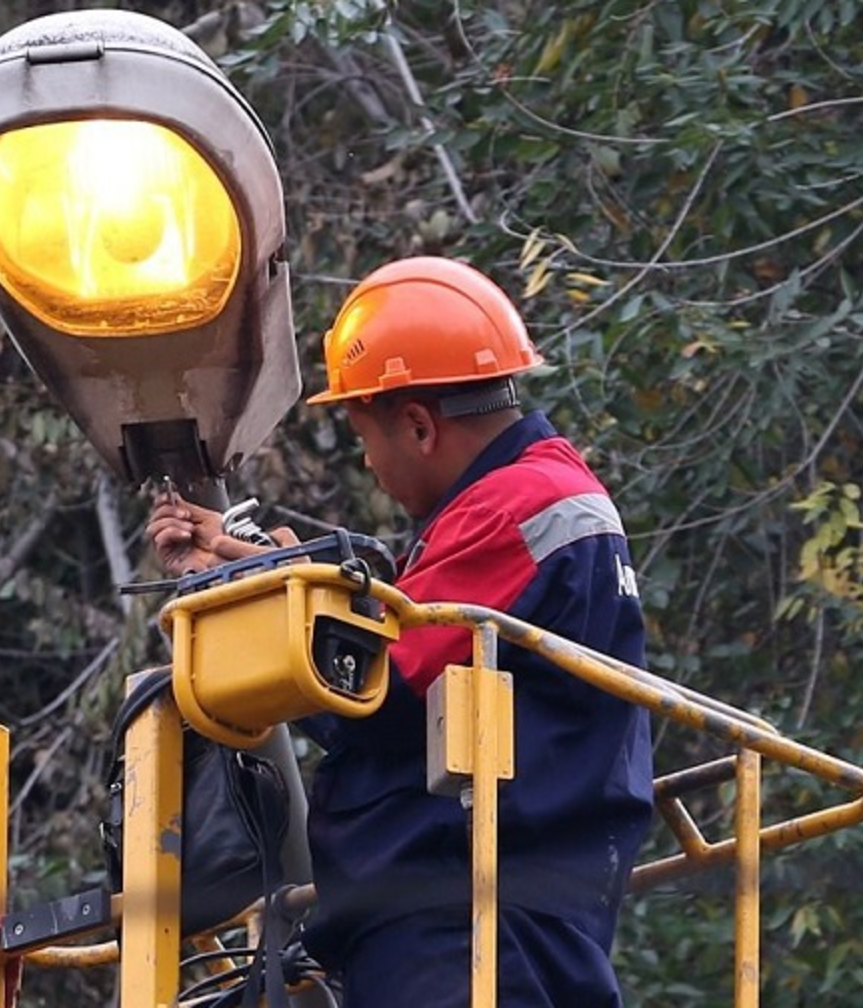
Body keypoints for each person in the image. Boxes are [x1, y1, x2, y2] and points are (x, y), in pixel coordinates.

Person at [146, 256, 653, 1008]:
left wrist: (251, 592)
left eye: (364, 435)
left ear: (418, 425)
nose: (367, 460)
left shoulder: (517, 508)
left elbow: (370, 686)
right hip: (498, 916)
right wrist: (258, 571)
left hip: (460, 925)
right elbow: (405, 636)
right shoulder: (523, 502)